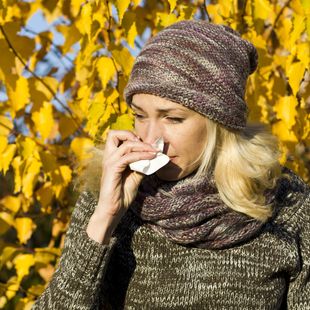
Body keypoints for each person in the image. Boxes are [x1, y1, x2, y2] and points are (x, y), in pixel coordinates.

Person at [33, 20, 310, 309]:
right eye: (140, 116)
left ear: (220, 122)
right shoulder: (107, 196)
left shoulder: (288, 206)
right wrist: (104, 218)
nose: (152, 139)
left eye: (173, 118)